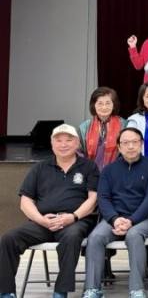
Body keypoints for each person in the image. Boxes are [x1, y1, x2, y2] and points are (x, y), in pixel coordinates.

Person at [0, 124, 98, 298]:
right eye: (58, 140)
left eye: (69, 140)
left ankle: (60, 291)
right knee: (8, 239)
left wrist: (73, 217)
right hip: (43, 221)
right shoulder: (40, 167)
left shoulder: (89, 167)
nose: (63, 144)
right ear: (52, 144)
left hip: (75, 221)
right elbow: (25, 201)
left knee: (72, 237)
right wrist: (41, 220)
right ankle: (6, 292)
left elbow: (93, 199)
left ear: (77, 143)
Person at [82, 127, 148, 298]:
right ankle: (92, 289)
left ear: (141, 144)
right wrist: (114, 219)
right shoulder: (108, 170)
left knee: (133, 235)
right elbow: (103, 198)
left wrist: (131, 220)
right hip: (114, 218)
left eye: (135, 142)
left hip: (144, 218)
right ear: (119, 146)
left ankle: (137, 289)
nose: (130, 146)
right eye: (125, 143)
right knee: (95, 237)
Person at [78, 86, 126, 171]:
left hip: (117, 172)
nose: (104, 107)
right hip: (90, 172)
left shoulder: (124, 125)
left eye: (108, 103)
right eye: (100, 103)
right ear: (94, 105)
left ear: (114, 105)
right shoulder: (84, 127)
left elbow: (127, 151)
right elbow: (78, 152)